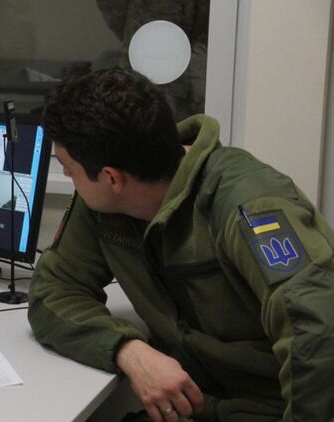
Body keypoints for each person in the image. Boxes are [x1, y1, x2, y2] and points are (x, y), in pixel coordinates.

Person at [28, 68, 334, 421]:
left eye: (68, 169)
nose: (69, 177)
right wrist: (129, 350)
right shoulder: (105, 204)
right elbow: (54, 291)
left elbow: (318, 329)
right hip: (193, 408)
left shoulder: (247, 202)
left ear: (112, 178)